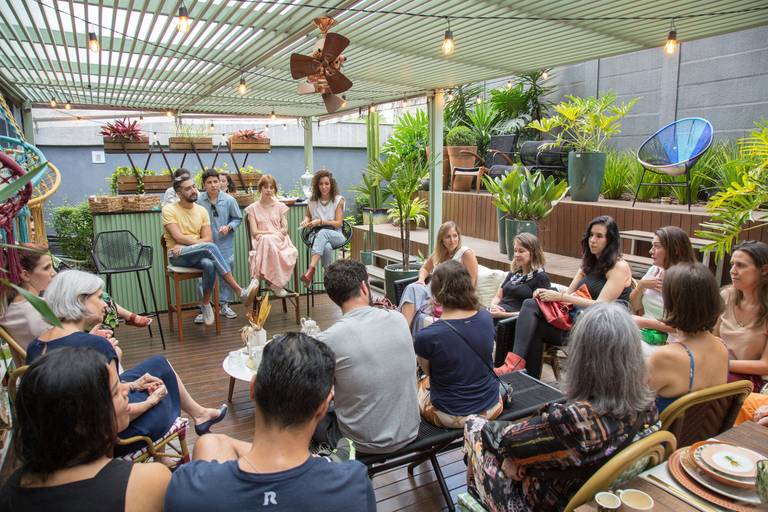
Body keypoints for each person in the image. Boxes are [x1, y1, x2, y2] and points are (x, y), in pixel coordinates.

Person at [464, 303, 659, 511]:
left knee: (473, 426)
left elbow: (506, 441)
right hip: (599, 495)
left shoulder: (573, 420)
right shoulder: (649, 407)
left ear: (582, 358)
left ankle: (475, 499)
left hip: (548, 501)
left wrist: (512, 456)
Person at [163, 333, 376, 512]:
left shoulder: (186, 487)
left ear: (253, 388)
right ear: (323, 407)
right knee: (212, 442)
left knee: (209, 442)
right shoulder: (352, 485)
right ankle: (322, 460)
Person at [25, 270, 229, 454]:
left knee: (159, 364)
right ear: (80, 300)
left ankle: (201, 414)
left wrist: (133, 384)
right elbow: (113, 419)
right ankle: (193, 421)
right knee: (166, 388)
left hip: (64, 440)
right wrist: (152, 401)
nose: (106, 304)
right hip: (107, 441)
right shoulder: (97, 347)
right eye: (99, 297)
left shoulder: (36, 346)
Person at [0, 347, 171, 511]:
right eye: (115, 392)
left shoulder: (10, 493)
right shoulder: (148, 482)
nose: (126, 390)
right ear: (82, 422)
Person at [313, 259, 419, 453]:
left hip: (362, 443)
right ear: (364, 286)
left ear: (334, 297)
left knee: (309, 417)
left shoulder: (329, 339)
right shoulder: (398, 319)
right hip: (410, 430)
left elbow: (318, 393)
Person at [512, 215, 633, 379]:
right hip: (577, 319)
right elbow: (568, 294)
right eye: (591, 235)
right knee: (531, 310)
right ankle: (524, 377)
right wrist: (543, 293)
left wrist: (560, 296)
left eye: (599, 236)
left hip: (600, 327)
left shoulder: (619, 267)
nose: (593, 240)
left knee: (531, 321)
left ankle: (516, 368)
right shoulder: (589, 262)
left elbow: (600, 306)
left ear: (610, 240)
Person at [0, 245, 146, 366]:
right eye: (47, 268)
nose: (53, 273)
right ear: (25, 275)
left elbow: (59, 342)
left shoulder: (15, 307)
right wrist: (93, 341)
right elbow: (59, 351)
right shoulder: (36, 312)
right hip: (65, 377)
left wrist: (89, 336)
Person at [414, 260, 501, 428]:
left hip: (448, 413)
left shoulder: (427, 336)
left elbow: (429, 372)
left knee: (420, 384)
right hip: (491, 406)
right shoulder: (486, 317)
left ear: (437, 293)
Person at [162, 174, 254, 326]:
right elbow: (178, 236)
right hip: (177, 255)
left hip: (194, 252)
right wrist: (191, 244)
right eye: (187, 188)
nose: (193, 190)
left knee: (209, 264)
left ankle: (205, 303)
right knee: (210, 248)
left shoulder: (201, 210)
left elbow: (208, 238)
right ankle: (239, 291)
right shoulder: (169, 210)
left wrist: (189, 244)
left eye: (193, 186)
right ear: (178, 193)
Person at [647, 262, 729, 413]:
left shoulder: (665, 357)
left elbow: (628, 405)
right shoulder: (721, 347)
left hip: (664, 436)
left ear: (673, 303)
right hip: (701, 434)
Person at [399, 221, 479, 331]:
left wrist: (447, 298)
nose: (452, 240)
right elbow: (425, 268)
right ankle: (404, 332)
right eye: (448, 237)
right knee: (412, 287)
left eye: (455, 236)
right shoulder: (439, 253)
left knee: (412, 292)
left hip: (450, 295)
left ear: (459, 237)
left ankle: (403, 333)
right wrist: (421, 280)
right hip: (432, 290)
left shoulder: (465, 253)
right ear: (441, 239)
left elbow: (471, 283)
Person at [487, 233, 550, 366]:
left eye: (521, 251)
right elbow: (499, 296)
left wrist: (501, 314)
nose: (516, 254)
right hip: (497, 315)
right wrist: (493, 306)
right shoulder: (514, 274)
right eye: (515, 250)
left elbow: (536, 312)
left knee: (486, 328)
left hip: (514, 321)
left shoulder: (541, 278)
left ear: (533, 252)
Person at [714, 240, 768, 392]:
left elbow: (766, 366)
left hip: (750, 380)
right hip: (719, 371)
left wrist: (722, 364)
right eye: (732, 264)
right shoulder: (726, 296)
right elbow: (714, 338)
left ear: (764, 270)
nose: (732, 270)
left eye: (741, 265)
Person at [629, 226, 696, 337]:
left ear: (674, 249)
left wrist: (645, 323)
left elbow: (684, 326)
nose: (651, 251)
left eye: (657, 246)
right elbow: (636, 307)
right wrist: (640, 286)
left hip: (672, 340)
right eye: (652, 246)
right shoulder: (654, 270)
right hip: (646, 334)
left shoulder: (688, 281)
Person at [195, 169, 242, 321]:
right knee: (203, 275)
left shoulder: (229, 200)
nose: (213, 185)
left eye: (216, 181)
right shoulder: (198, 201)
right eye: (209, 182)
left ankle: (224, 305)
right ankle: (204, 308)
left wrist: (228, 227)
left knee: (226, 274)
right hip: (205, 245)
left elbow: (237, 218)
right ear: (204, 185)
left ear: (220, 182)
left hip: (224, 245)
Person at [244, 174, 298, 298]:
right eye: (265, 187)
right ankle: (275, 285)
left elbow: (284, 228)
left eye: (272, 187)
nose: (269, 190)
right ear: (260, 189)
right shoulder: (252, 209)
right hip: (260, 241)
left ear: (275, 189)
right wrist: (271, 233)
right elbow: (255, 232)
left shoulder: (280, 207)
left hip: (280, 242)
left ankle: (257, 278)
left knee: (269, 240)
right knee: (266, 239)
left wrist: (283, 230)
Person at [300, 169, 346, 287]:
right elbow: (308, 215)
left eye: (327, 183)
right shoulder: (312, 200)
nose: (324, 187)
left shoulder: (338, 200)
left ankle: (311, 269)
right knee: (326, 247)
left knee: (324, 232)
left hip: (336, 234)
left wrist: (320, 221)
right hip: (316, 235)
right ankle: (328, 277)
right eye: (321, 184)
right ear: (317, 185)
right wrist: (306, 220)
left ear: (331, 184)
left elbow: (338, 223)